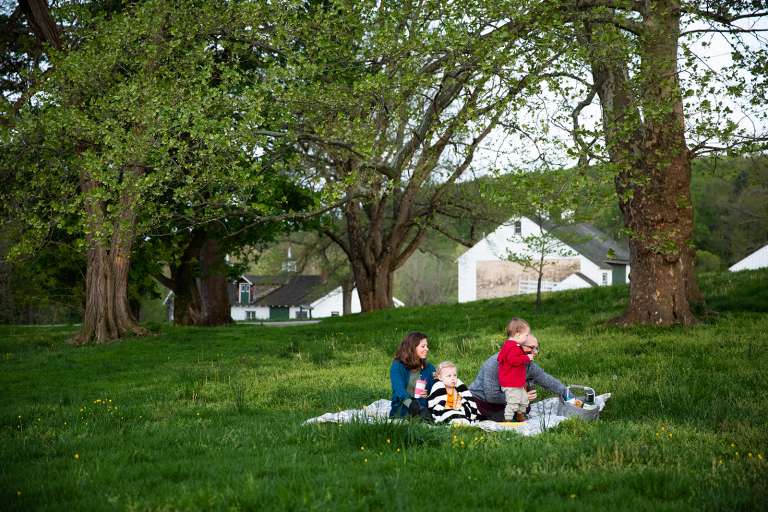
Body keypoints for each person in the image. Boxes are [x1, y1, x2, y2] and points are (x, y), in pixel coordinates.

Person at [468, 333, 568, 422]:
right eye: (532, 347)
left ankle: (494, 417)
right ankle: (488, 416)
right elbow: (492, 396)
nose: (536, 352)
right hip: (480, 399)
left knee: (526, 408)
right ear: (519, 347)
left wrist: (573, 399)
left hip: (502, 403)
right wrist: (520, 397)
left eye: (536, 348)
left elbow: (551, 383)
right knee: (471, 406)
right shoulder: (495, 363)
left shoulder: (529, 366)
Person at [389, 331, 435, 419]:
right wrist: (412, 406)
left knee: (422, 401)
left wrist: (427, 395)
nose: (427, 349)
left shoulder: (429, 368)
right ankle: (422, 414)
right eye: (423, 346)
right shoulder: (397, 366)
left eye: (426, 346)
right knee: (402, 411)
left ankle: (420, 414)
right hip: (403, 403)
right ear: (412, 348)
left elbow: (434, 391)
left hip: (421, 402)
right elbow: (400, 391)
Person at [497, 318, 533, 422]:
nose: (527, 338)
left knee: (523, 400)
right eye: (526, 335)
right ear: (518, 335)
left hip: (517, 382)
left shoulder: (513, 346)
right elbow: (512, 360)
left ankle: (520, 415)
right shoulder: (512, 347)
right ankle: (507, 420)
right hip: (511, 383)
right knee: (513, 402)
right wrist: (526, 358)